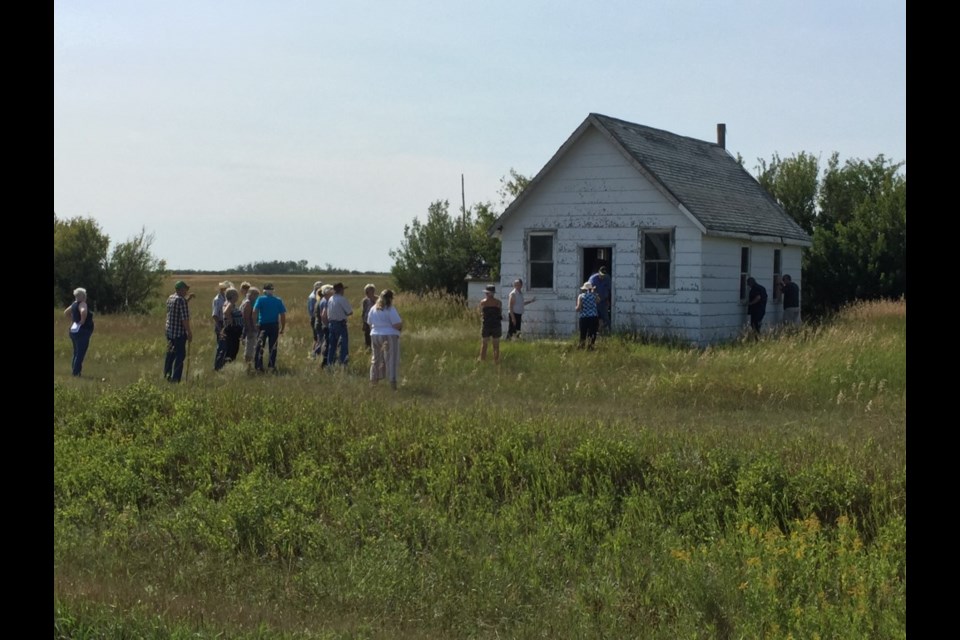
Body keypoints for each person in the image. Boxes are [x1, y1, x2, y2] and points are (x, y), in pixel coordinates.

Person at [367, 289, 403, 389]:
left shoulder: (374, 308)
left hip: (375, 334)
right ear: (390, 298)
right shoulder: (390, 309)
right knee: (391, 359)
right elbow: (396, 324)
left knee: (376, 359)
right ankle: (392, 383)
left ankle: (373, 381)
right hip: (389, 335)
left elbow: (369, 322)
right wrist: (401, 326)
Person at [252, 282, 287, 373]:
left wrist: (254, 323)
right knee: (273, 347)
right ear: (272, 291)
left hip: (262, 325)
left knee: (260, 346)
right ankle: (271, 366)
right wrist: (282, 328)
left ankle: (258, 366)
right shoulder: (278, 300)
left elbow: (255, 311)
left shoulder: (260, 299)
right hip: (274, 326)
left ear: (264, 291)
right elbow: (282, 315)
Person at [164, 280, 193, 383]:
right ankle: (176, 379)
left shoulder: (171, 298)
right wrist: (189, 332)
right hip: (179, 334)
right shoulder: (181, 300)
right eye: (185, 289)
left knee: (170, 354)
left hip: (169, 331)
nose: (186, 291)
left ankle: (167, 376)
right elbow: (184, 319)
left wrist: (188, 299)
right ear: (180, 289)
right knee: (180, 356)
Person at [63, 287, 94, 377]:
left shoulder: (74, 304)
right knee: (80, 353)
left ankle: (75, 370)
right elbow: (83, 311)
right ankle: (76, 373)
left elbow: (66, 312)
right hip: (82, 331)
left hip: (74, 330)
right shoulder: (82, 303)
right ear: (83, 296)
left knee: (76, 352)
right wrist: (82, 321)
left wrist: (74, 320)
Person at [325, 282, 354, 367]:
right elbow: (350, 312)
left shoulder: (330, 299)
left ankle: (329, 364)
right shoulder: (342, 299)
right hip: (340, 324)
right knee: (343, 345)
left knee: (332, 345)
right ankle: (343, 364)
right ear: (341, 290)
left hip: (331, 324)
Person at [478, 284, 503, 363]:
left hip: (487, 325)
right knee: (494, 345)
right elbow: (500, 313)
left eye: (487, 293)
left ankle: (483, 360)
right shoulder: (498, 302)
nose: (487, 294)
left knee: (485, 344)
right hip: (495, 325)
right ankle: (494, 360)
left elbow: (481, 313)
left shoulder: (483, 302)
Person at [220, 287, 244, 365]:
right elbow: (226, 312)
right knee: (232, 349)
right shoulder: (230, 303)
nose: (237, 296)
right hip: (232, 330)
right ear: (232, 296)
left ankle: (229, 365)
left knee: (233, 349)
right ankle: (227, 365)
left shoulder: (231, 304)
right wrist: (232, 322)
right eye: (236, 295)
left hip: (234, 330)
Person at [212, 280, 232, 370]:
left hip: (225, 324)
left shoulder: (225, 298)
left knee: (226, 347)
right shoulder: (218, 300)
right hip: (221, 324)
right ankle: (217, 367)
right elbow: (215, 315)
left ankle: (222, 366)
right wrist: (221, 329)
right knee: (222, 347)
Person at [239, 286, 260, 369]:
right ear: (251, 295)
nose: (257, 297)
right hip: (250, 329)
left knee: (252, 348)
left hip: (252, 328)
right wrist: (250, 330)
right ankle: (248, 367)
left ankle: (251, 366)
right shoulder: (248, 303)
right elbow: (246, 318)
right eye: (256, 295)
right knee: (249, 349)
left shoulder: (247, 301)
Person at [576, 281, 600, 350]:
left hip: (584, 317)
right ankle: (591, 347)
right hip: (593, 317)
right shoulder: (594, 295)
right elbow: (598, 301)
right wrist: (594, 292)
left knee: (583, 334)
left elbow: (579, 308)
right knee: (592, 333)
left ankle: (581, 347)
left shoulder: (581, 296)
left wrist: (576, 308)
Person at [314, 284, 334, 365]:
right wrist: (326, 325)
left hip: (319, 323)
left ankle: (316, 355)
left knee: (321, 341)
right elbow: (323, 315)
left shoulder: (320, 301)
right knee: (323, 342)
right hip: (322, 324)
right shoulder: (325, 301)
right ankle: (319, 357)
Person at [588, 266, 611, 332]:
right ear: (598, 272)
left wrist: (608, 300)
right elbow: (589, 290)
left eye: (604, 275)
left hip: (603, 302)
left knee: (606, 318)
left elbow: (609, 290)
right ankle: (592, 332)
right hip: (594, 302)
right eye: (601, 275)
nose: (602, 276)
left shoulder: (607, 278)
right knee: (593, 318)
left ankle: (608, 333)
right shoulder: (593, 279)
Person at [307, 280, 323, 355]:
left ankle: (314, 353)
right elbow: (312, 310)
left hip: (315, 318)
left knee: (316, 337)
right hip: (316, 319)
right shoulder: (313, 297)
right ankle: (314, 353)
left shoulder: (313, 296)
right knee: (317, 338)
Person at [361, 283, 377, 350]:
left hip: (375, 321)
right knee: (367, 336)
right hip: (367, 321)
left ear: (373, 291)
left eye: (368, 291)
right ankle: (368, 349)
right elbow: (364, 312)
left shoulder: (378, 299)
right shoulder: (365, 300)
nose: (366, 293)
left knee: (375, 336)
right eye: (366, 291)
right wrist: (363, 322)